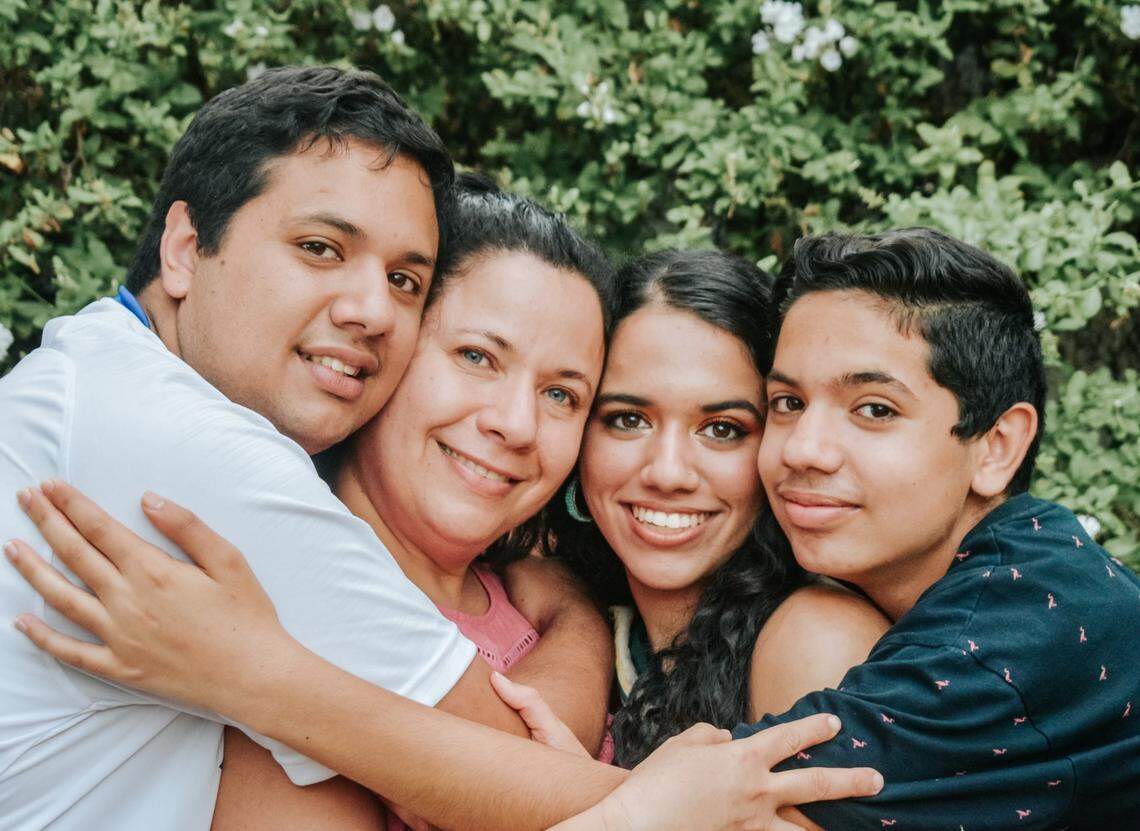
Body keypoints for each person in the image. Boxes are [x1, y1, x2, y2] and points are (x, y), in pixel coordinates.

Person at [0, 63, 882, 828]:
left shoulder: (94, 374)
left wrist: (569, 605)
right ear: (185, 247)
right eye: (319, 247)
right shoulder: (197, 455)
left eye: (403, 279)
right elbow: (491, 758)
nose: (370, 310)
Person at [215, 173, 618, 830]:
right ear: (388, 344)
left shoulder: (529, 591)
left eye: (561, 394)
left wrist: (575, 614)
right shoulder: (285, 618)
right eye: (478, 356)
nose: (516, 423)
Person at [726, 228, 1140, 827]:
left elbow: (709, 810)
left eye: (875, 409)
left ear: (997, 446)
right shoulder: (1030, 553)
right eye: (788, 403)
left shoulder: (996, 648)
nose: (803, 451)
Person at [543, 250, 889, 767]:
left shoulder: (816, 641)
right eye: (628, 419)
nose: (668, 472)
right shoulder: (586, 613)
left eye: (722, 429)